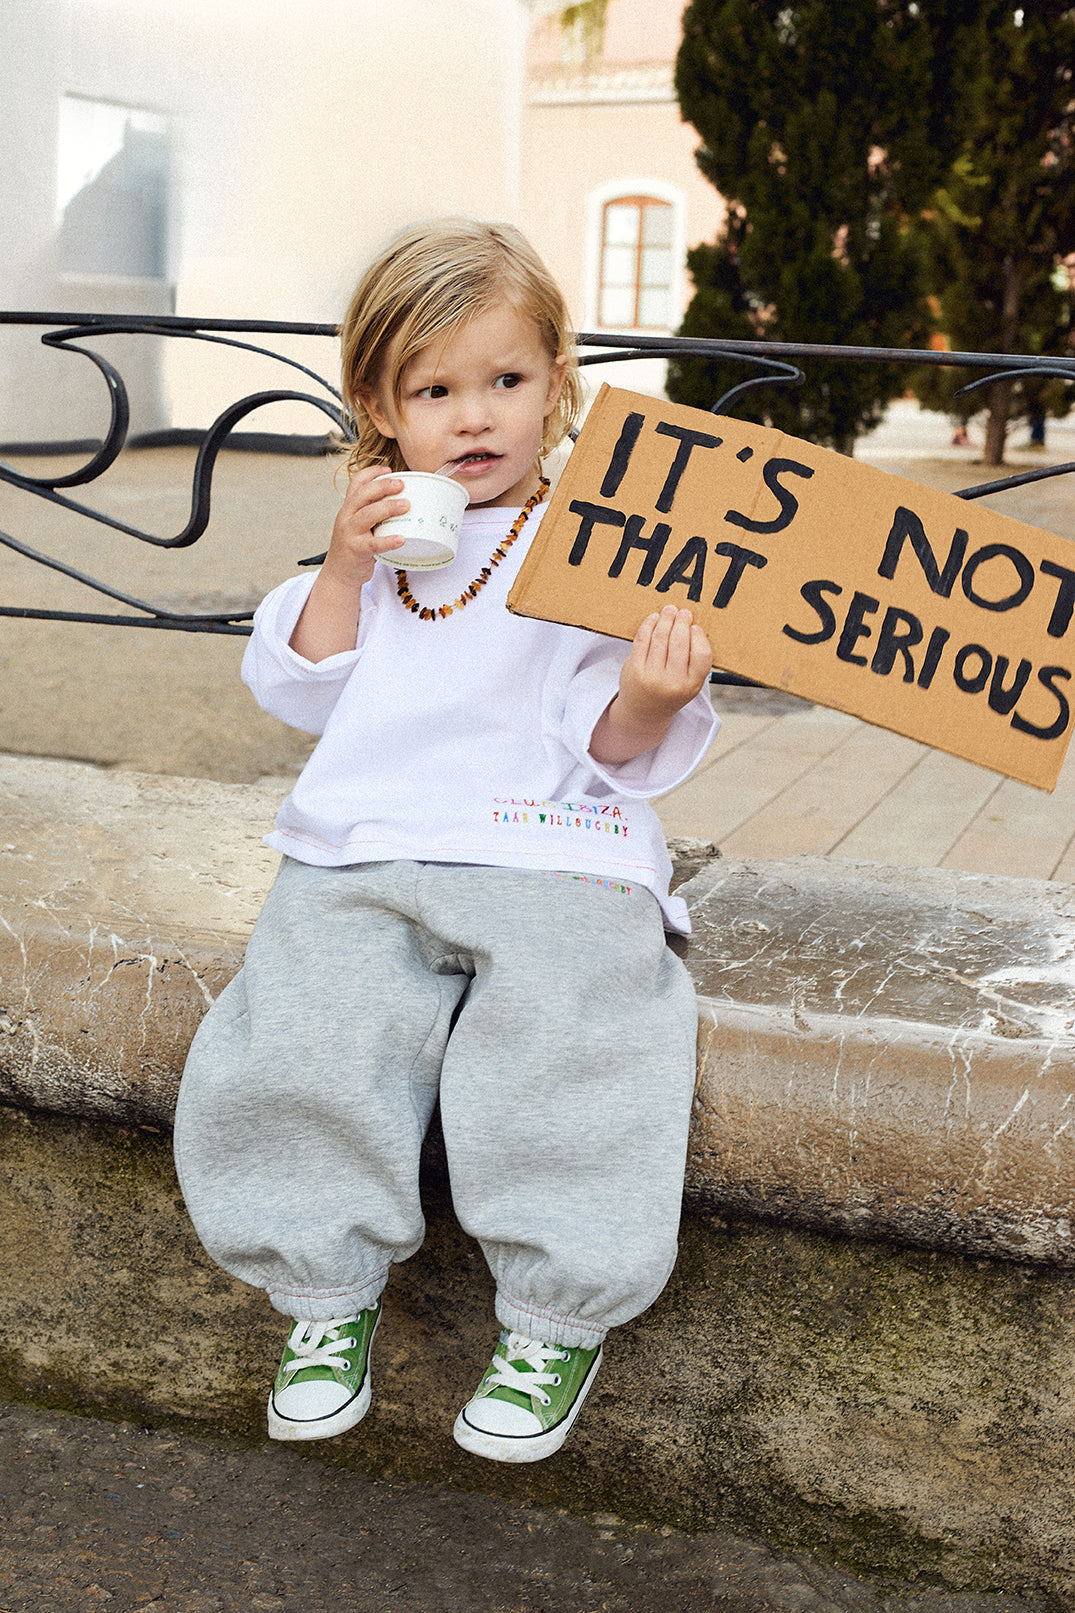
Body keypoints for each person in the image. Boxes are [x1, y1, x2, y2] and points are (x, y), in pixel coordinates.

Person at [173, 217, 718, 1464]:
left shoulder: (596, 533)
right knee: (307, 1021)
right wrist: (339, 568)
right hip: (369, 839)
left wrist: (653, 692)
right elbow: (302, 686)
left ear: (554, 386)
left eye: (506, 382)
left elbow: (608, 737)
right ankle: (322, 1298)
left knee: (578, 1035)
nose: (475, 417)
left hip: (553, 836)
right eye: (436, 389)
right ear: (380, 401)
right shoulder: (372, 550)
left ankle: (554, 1315)